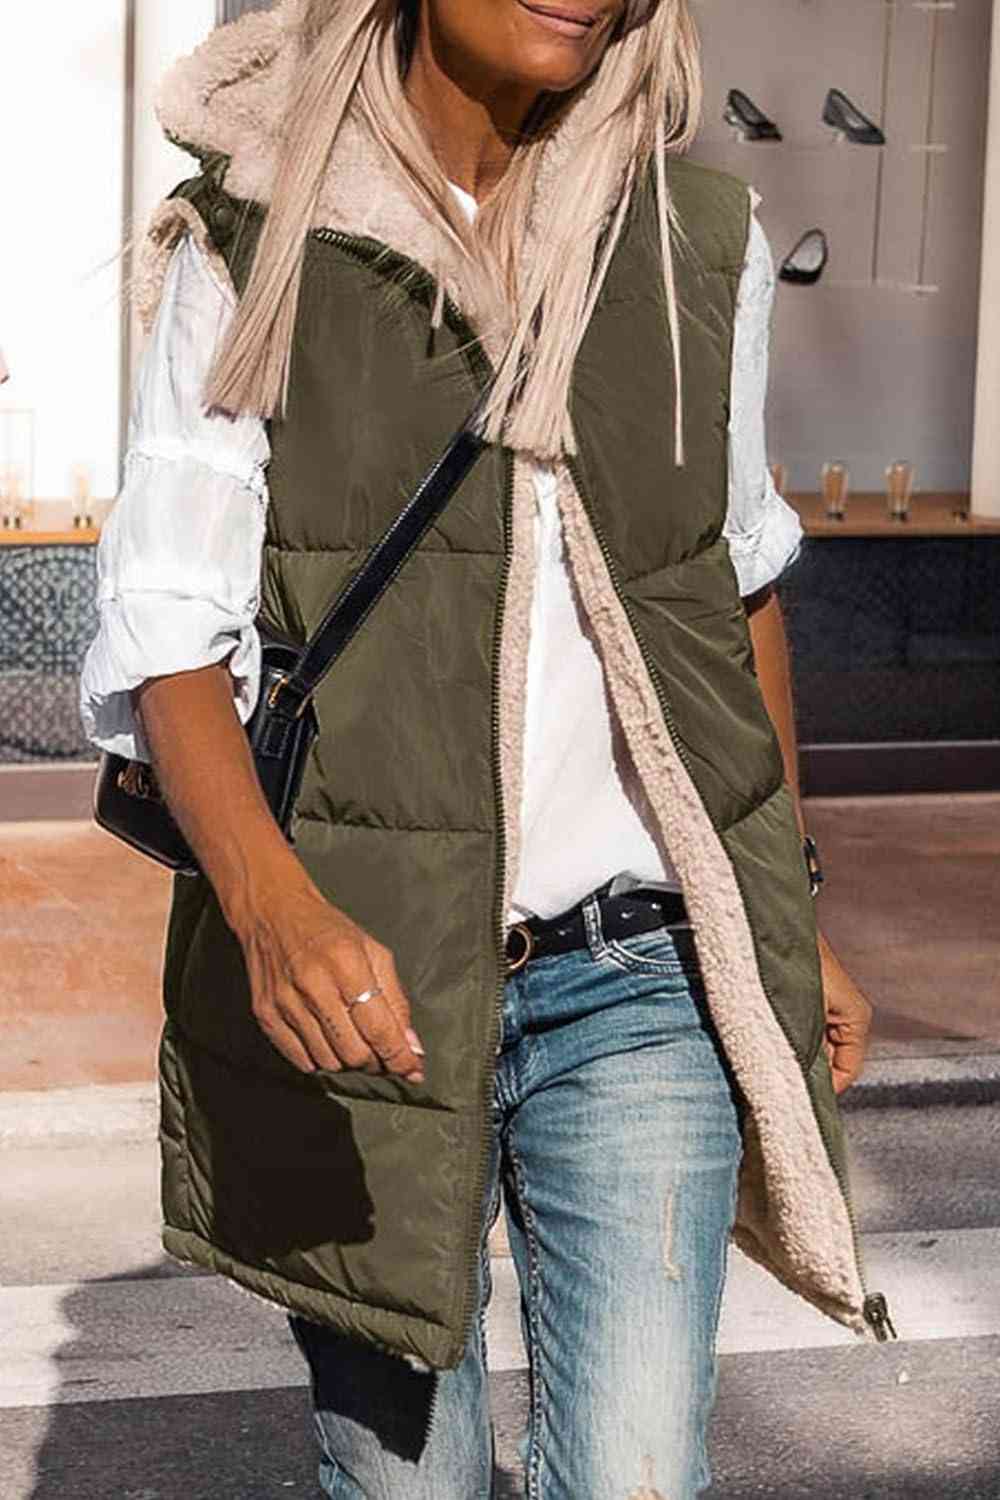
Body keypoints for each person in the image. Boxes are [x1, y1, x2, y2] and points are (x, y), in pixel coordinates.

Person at [81, 1, 897, 1495]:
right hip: (367, 981)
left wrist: (790, 912)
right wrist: (270, 908)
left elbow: (728, 586)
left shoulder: (690, 240)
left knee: (638, 1473)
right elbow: (169, 632)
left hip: (638, 976)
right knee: (411, 1482)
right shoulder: (256, 233)